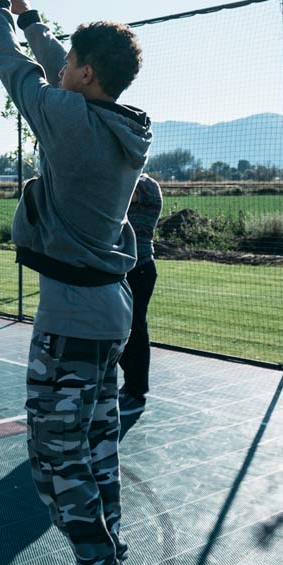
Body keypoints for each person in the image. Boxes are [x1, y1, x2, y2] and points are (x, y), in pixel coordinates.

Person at [0, 0, 152, 565]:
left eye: (70, 62)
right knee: (96, 460)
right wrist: (30, 18)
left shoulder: (73, 121)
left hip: (72, 323)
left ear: (86, 77)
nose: (60, 66)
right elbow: (50, 63)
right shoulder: (114, 120)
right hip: (103, 317)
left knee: (57, 466)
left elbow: (17, 74)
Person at [118, 172, 162, 424]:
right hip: (129, 267)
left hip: (140, 268)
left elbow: (124, 191)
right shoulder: (136, 183)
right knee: (126, 329)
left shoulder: (143, 185)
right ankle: (131, 386)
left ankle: (136, 390)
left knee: (135, 329)